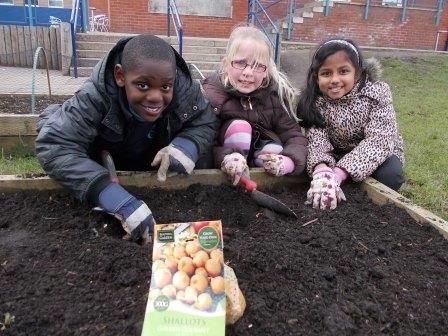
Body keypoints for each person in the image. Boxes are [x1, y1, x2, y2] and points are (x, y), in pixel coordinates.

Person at [35, 34, 218, 242]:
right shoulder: (95, 97)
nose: (156, 97)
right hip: (108, 168)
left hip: (155, 166)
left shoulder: (184, 89)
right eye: (143, 86)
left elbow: (205, 119)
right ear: (120, 76)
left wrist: (186, 147)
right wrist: (110, 195)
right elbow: (54, 144)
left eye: (166, 87)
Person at [298, 37, 405, 210]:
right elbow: (317, 141)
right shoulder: (315, 101)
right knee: (306, 166)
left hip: (378, 153)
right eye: (326, 73)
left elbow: (379, 140)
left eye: (343, 71)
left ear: (357, 73)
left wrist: (340, 173)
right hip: (336, 153)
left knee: (391, 176)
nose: (334, 80)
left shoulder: (377, 93)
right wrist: (322, 170)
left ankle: (361, 193)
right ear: (316, 77)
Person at [201, 25, 308, 185]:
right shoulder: (213, 94)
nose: (248, 72)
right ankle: (235, 170)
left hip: (261, 150)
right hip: (227, 158)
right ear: (226, 64)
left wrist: (289, 160)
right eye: (240, 63)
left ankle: (265, 176)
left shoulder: (274, 95)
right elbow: (206, 141)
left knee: (275, 151)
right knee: (240, 128)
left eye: (258, 66)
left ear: (267, 70)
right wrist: (225, 157)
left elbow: (293, 135)